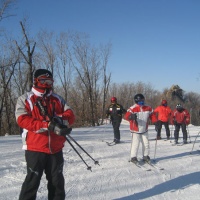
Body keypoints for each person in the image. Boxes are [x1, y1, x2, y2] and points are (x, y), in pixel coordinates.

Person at [15, 69, 75, 200]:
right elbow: (22, 120)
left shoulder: (57, 98)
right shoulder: (25, 98)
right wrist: (46, 125)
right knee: (32, 183)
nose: (46, 84)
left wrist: (59, 119)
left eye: (49, 81)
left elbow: (70, 115)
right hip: (35, 148)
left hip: (55, 149)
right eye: (43, 80)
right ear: (36, 80)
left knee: (57, 183)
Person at [124, 94, 156, 164]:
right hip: (135, 129)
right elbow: (126, 116)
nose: (142, 102)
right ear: (136, 101)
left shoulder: (148, 108)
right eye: (140, 101)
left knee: (146, 144)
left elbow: (152, 115)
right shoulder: (133, 108)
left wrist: (156, 122)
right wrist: (131, 117)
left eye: (143, 100)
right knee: (135, 144)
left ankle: (145, 156)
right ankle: (133, 157)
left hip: (144, 129)